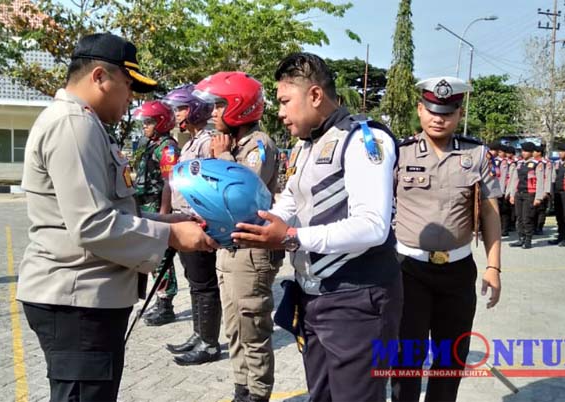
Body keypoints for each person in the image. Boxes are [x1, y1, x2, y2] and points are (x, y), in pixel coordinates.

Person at [15, 33, 216, 402]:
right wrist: (171, 238)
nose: (130, 100)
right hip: (77, 299)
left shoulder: (85, 124)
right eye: (127, 87)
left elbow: (108, 210)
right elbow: (92, 224)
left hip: (86, 296)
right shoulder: (73, 125)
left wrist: (171, 222)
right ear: (99, 77)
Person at [232, 53, 402, 402]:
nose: (278, 112)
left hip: (357, 296)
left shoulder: (363, 140)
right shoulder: (305, 145)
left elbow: (372, 226)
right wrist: (249, 226)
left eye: (284, 101)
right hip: (314, 295)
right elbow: (290, 202)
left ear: (314, 96)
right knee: (320, 395)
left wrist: (291, 238)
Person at [388, 77, 502, 402]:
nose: (439, 118)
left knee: (450, 360)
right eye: (432, 111)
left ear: (458, 113)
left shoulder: (476, 155)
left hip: (457, 272)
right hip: (408, 271)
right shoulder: (399, 153)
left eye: (448, 112)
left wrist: (493, 266)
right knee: (406, 360)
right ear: (420, 110)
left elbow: (491, 213)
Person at [192, 71, 280, 398]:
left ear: (239, 107)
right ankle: (241, 389)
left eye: (219, 106)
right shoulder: (230, 144)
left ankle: (257, 394)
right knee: (234, 329)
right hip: (228, 249)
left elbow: (240, 196)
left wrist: (223, 158)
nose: (213, 113)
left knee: (253, 329)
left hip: (250, 252)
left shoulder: (259, 145)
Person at [159, 84, 222, 361]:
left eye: (182, 108)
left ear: (196, 109)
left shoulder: (209, 142)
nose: (177, 114)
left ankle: (209, 343)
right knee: (195, 283)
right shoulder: (191, 143)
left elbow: (212, 184)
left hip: (198, 222)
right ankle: (199, 335)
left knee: (204, 284)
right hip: (183, 219)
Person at [131, 100, 181, 327]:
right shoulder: (149, 144)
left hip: (157, 204)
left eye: (149, 122)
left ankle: (166, 304)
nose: (145, 127)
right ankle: (159, 299)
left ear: (161, 122)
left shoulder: (167, 147)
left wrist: (163, 213)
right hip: (144, 204)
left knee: (162, 257)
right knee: (152, 255)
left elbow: (168, 183)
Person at [507, 142, 545, 249]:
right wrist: (512, 194)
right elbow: (514, 180)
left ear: (532, 152)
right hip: (519, 193)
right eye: (522, 151)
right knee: (518, 218)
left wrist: (538, 197)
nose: (523, 153)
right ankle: (520, 238)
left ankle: (528, 240)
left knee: (527, 218)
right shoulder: (519, 164)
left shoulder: (537, 164)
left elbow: (540, 181)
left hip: (530, 194)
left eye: (526, 151)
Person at [532, 145, 551, 235]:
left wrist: (546, 191)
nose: (533, 153)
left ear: (539, 153)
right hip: (533, 189)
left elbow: (548, 177)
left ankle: (539, 227)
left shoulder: (546, 163)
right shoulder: (531, 162)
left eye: (534, 151)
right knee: (533, 210)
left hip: (542, 189)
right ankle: (533, 226)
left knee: (541, 210)